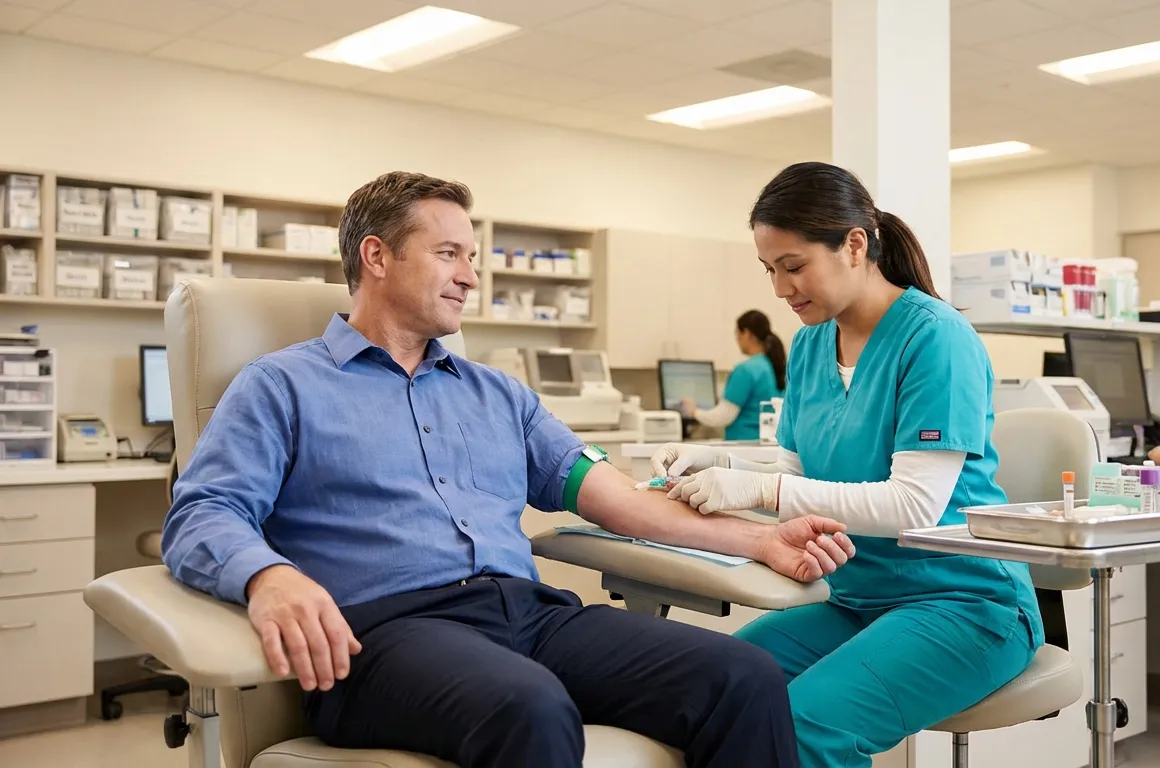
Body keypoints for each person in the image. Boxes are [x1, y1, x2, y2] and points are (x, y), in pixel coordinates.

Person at [161, 171, 858, 768]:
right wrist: (267, 575)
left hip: (530, 615)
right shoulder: (282, 386)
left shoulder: (497, 394)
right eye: (448, 254)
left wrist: (760, 540)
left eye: (472, 256)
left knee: (742, 675)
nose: (471, 275)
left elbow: (618, 501)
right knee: (529, 708)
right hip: (386, 637)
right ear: (376, 256)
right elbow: (201, 513)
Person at [650, 161, 1044, 767]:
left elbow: (912, 504)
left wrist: (756, 485)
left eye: (794, 266)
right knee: (713, 691)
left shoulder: (935, 338)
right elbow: (794, 470)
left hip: (965, 603)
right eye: (770, 271)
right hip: (856, 598)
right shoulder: (811, 344)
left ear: (854, 244)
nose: (781, 289)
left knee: (803, 727)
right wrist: (718, 458)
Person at [679, 310, 787, 441]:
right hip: (767, 444)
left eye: (737, 334)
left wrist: (694, 411)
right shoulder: (774, 366)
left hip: (744, 445)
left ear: (746, 333)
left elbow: (723, 416)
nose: (737, 340)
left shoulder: (746, 370)